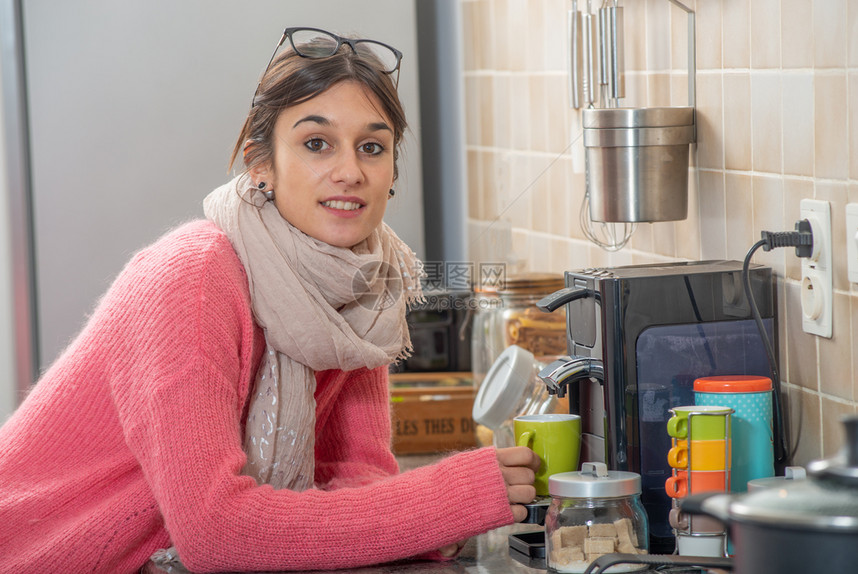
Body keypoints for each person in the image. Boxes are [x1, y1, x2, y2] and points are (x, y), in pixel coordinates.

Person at [0, 26, 540, 573]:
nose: (350, 172)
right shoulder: (191, 277)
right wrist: (451, 496)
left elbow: (358, 482)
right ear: (262, 165)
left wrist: (461, 510)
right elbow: (215, 533)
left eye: (372, 148)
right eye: (316, 144)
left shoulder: (360, 290)